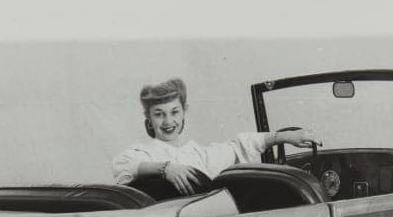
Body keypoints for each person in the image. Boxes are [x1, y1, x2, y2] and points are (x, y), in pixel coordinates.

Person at [111, 77, 320, 195]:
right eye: (159, 114)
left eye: (174, 112)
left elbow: (239, 146)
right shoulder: (145, 152)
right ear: (149, 118)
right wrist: (166, 168)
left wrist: (283, 137)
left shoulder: (198, 154)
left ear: (184, 112)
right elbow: (124, 166)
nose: (167, 122)